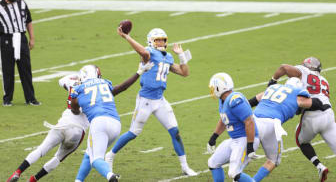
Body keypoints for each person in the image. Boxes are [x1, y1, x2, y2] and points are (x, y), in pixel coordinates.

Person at [104, 27, 197, 176]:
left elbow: (184, 72)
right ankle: (110, 155)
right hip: (145, 101)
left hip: (160, 100)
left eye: (162, 40)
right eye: (157, 40)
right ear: (150, 42)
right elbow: (143, 52)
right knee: (133, 133)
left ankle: (185, 167)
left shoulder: (167, 57)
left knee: (175, 132)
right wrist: (127, 36)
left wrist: (181, 56)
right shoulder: (149, 54)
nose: (160, 42)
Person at [71, 62, 154, 182]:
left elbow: (74, 110)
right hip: (115, 124)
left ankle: (111, 176)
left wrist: (76, 100)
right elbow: (122, 87)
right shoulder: (105, 83)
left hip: (98, 123)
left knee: (96, 159)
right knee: (90, 154)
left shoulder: (78, 89)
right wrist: (138, 73)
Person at [6, 73, 89, 182]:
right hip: (77, 132)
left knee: (41, 149)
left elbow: (61, 80)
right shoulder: (96, 93)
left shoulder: (74, 84)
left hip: (63, 124)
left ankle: (18, 172)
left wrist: (76, 77)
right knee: (58, 158)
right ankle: (33, 179)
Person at [266, 57, 335, 182]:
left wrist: (273, 80)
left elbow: (284, 67)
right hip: (329, 115)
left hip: (312, 115)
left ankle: (319, 166)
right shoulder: (324, 80)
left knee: (301, 141)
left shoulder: (303, 71)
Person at [247, 77, 329, 182]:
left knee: (245, 154)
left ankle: (236, 174)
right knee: (273, 160)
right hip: (271, 125)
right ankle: (253, 180)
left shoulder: (273, 88)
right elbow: (316, 103)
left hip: (253, 121)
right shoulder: (298, 95)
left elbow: (252, 101)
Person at [0, 0, 40, 106]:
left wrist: (32, 38)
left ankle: (30, 99)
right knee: (7, 70)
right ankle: (7, 99)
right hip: (6, 40)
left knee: (26, 69)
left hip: (21, 37)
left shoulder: (22, 3)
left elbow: (29, 21)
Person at [206, 72, 259, 182]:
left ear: (219, 87)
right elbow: (224, 119)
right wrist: (214, 137)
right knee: (213, 163)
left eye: (213, 88)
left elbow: (249, 122)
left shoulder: (235, 99)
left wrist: (250, 145)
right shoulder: (224, 100)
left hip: (246, 138)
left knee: (234, 173)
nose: (212, 91)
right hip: (235, 139)